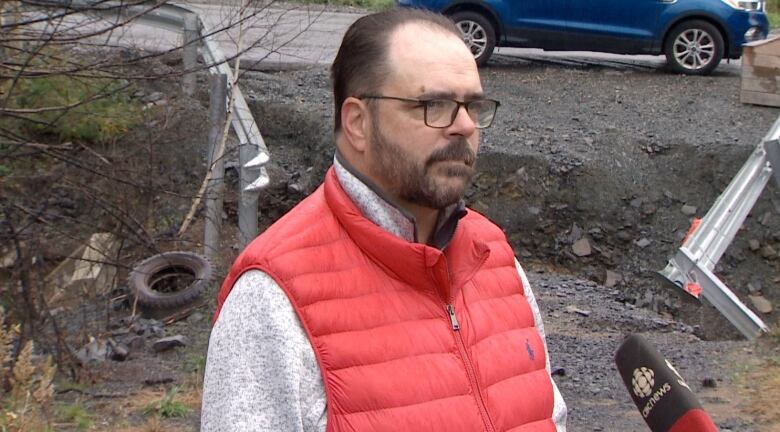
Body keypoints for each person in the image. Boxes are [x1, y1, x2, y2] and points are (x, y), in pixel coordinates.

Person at [201, 7, 567, 432]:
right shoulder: (274, 298)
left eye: (473, 105)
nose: (464, 125)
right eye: (434, 104)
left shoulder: (496, 258)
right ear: (357, 122)